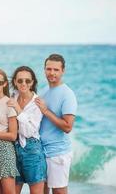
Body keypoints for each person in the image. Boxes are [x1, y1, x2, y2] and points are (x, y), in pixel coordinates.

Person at [35, 54, 78, 194]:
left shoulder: (67, 94)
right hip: (41, 152)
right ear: (44, 70)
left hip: (58, 153)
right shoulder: (43, 92)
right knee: (42, 191)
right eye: (48, 69)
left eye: (56, 69)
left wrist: (46, 111)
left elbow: (68, 126)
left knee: (59, 192)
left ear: (63, 71)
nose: (51, 73)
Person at [7, 66, 46, 194]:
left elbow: (29, 132)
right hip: (13, 150)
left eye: (27, 81)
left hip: (32, 151)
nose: (23, 84)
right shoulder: (12, 96)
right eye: (20, 81)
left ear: (33, 82)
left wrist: (18, 108)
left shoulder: (37, 103)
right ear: (15, 82)